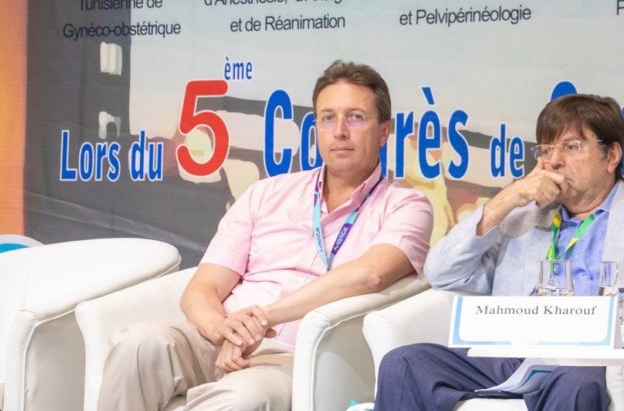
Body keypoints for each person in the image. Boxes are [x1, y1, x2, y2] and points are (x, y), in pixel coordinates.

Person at [375, 93, 624, 411]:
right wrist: (503, 202)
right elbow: (442, 273)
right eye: (546, 150)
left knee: (578, 379)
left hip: (595, 360)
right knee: (404, 363)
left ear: (611, 156)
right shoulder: (520, 219)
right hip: (515, 356)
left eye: (571, 147)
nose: (552, 161)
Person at [98, 61, 433, 411]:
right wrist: (224, 330)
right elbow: (203, 288)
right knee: (138, 345)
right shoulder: (267, 193)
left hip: (296, 356)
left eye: (356, 117)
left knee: (242, 400)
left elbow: (371, 274)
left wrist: (263, 319)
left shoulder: (406, 206)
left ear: (384, 131)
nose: (340, 131)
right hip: (219, 338)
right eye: (328, 118)